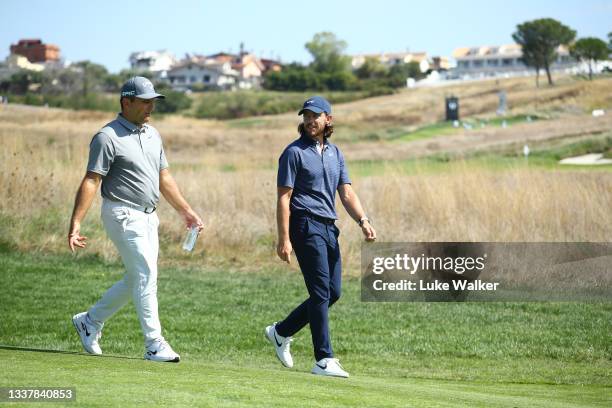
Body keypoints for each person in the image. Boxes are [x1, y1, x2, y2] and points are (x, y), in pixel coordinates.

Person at [68, 76, 203, 363]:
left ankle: (90, 322)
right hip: (121, 213)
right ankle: (154, 344)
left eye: (153, 101)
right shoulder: (107, 136)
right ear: (126, 102)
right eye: (144, 102)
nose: (150, 107)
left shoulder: (153, 134)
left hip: (148, 216)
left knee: (136, 277)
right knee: (146, 275)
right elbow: (92, 179)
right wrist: (76, 222)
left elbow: (163, 177)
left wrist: (186, 211)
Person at [265, 96, 376, 378]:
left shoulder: (335, 153)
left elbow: (347, 192)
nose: (310, 121)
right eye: (306, 116)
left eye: (316, 116)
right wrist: (283, 238)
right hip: (304, 224)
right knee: (319, 292)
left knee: (333, 293)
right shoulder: (293, 153)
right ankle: (323, 359)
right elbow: (283, 198)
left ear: (329, 119)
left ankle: (281, 331)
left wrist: (363, 220)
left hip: (329, 227)